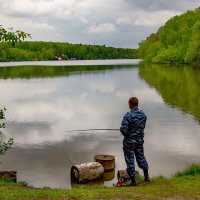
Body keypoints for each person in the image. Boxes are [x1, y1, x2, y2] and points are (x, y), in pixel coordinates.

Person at [120, 97, 149, 186]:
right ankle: (147, 177)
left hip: (129, 142)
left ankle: (133, 181)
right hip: (139, 141)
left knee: (130, 160)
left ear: (129, 104)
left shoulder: (127, 116)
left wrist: (127, 132)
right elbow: (142, 127)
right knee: (141, 157)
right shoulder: (143, 115)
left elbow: (123, 130)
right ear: (137, 104)